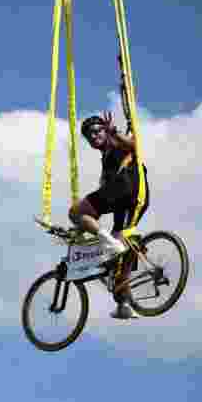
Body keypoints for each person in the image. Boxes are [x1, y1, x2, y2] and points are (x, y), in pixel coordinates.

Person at [68, 111, 150, 320]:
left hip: (125, 190)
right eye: (89, 136)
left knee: (75, 212)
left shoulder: (115, 143)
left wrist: (114, 131)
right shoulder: (106, 157)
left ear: (105, 130)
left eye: (97, 131)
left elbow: (134, 146)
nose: (94, 137)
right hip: (126, 200)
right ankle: (124, 304)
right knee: (119, 254)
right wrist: (83, 226)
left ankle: (112, 244)